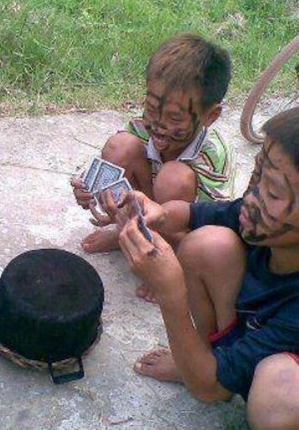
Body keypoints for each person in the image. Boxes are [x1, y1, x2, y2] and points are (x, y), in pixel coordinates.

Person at [105, 107, 299, 429]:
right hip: (255, 340)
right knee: (206, 245)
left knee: (278, 395)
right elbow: (194, 213)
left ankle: (205, 370)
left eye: (274, 191)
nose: (251, 196)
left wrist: (170, 292)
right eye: (257, 173)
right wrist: (156, 213)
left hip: (286, 374)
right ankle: (202, 360)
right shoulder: (261, 219)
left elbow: (210, 392)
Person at [71, 33, 234, 301]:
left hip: (185, 229)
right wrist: (88, 189)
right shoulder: (141, 126)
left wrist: (178, 246)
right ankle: (127, 234)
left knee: (174, 177)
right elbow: (113, 171)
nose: (157, 125)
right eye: (151, 108)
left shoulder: (212, 155)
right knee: (120, 146)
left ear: (211, 115)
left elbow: (212, 225)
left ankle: (166, 261)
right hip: (147, 210)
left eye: (174, 118)